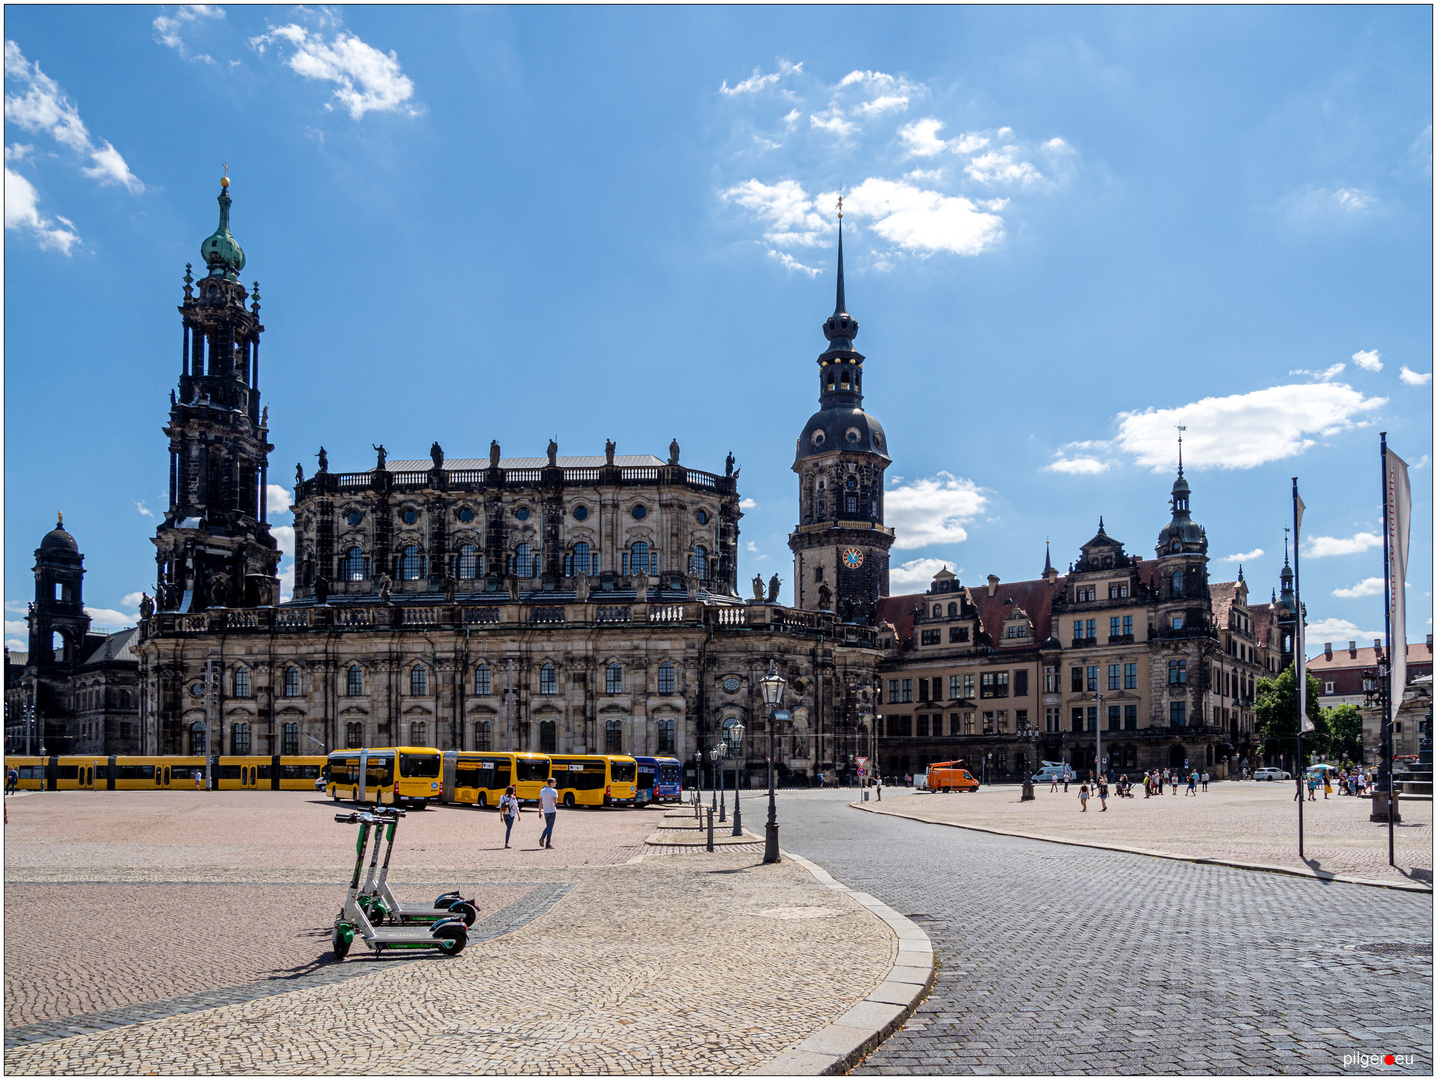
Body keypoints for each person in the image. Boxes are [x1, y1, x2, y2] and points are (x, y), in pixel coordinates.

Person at [538, 777, 558, 849]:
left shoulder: (542, 791)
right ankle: (547, 843)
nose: (555, 783)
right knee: (550, 827)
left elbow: (540, 802)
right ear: (551, 783)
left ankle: (545, 841)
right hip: (552, 810)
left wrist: (540, 811)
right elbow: (555, 802)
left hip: (545, 810)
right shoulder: (554, 791)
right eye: (554, 782)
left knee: (548, 826)